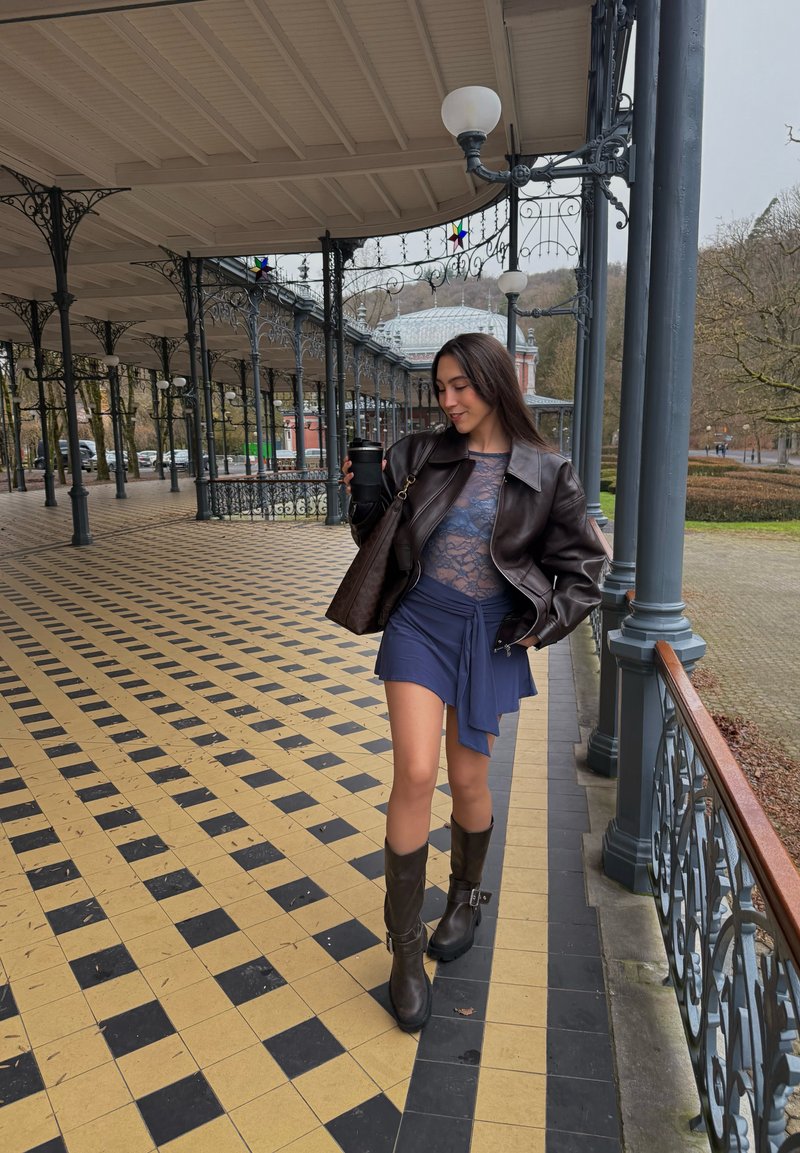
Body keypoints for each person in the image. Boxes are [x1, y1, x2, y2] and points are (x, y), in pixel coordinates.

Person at [341, 332, 605, 1032]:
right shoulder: (419, 453)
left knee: (469, 781)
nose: (448, 400)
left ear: (494, 383)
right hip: (420, 623)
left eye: (461, 385)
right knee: (417, 771)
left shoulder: (548, 467)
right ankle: (402, 953)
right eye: (441, 388)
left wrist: (540, 624)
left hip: (489, 633)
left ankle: (463, 900)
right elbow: (376, 538)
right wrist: (360, 497)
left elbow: (586, 569)